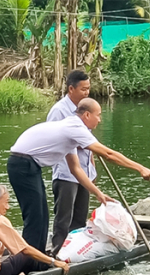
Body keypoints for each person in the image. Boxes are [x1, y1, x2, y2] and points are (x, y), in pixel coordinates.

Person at [7, 98, 150, 253]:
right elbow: (108, 154)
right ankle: (29, 260)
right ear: (86, 115)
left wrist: (98, 194)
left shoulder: (70, 130)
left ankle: (38, 258)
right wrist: (140, 168)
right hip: (22, 164)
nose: (100, 120)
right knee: (36, 217)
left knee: (42, 216)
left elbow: (76, 169)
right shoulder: (75, 127)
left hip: (29, 165)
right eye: (98, 115)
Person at [0, 184, 69, 275]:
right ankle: (41, 274)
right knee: (27, 257)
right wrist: (53, 262)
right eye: (6, 202)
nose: (8, 207)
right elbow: (25, 250)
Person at [47, 70, 96, 254]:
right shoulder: (59, 111)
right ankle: (57, 251)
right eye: (83, 89)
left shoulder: (86, 111)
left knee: (80, 216)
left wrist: (93, 170)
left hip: (85, 172)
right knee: (63, 217)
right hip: (66, 172)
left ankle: (75, 251)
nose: (86, 93)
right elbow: (52, 139)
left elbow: (90, 143)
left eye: (88, 89)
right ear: (71, 89)